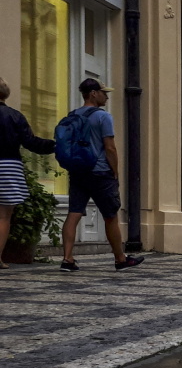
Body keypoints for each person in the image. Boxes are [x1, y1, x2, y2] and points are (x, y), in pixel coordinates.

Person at [60, 78, 144, 272]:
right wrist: (115, 171)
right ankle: (120, 259)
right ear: (93, 94)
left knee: (73, 213)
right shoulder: (103, 117)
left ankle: (67, 259)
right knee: (110, 215)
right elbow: (110, 147)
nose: (106, 96)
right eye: (104, 93)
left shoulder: (72, 115)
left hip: (78, 171)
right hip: (100, 172)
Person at [0, 76, 56, 269]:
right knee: (4, 216)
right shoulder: (15, 116)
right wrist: (55, 145)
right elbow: (31, 142)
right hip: (9, 166)